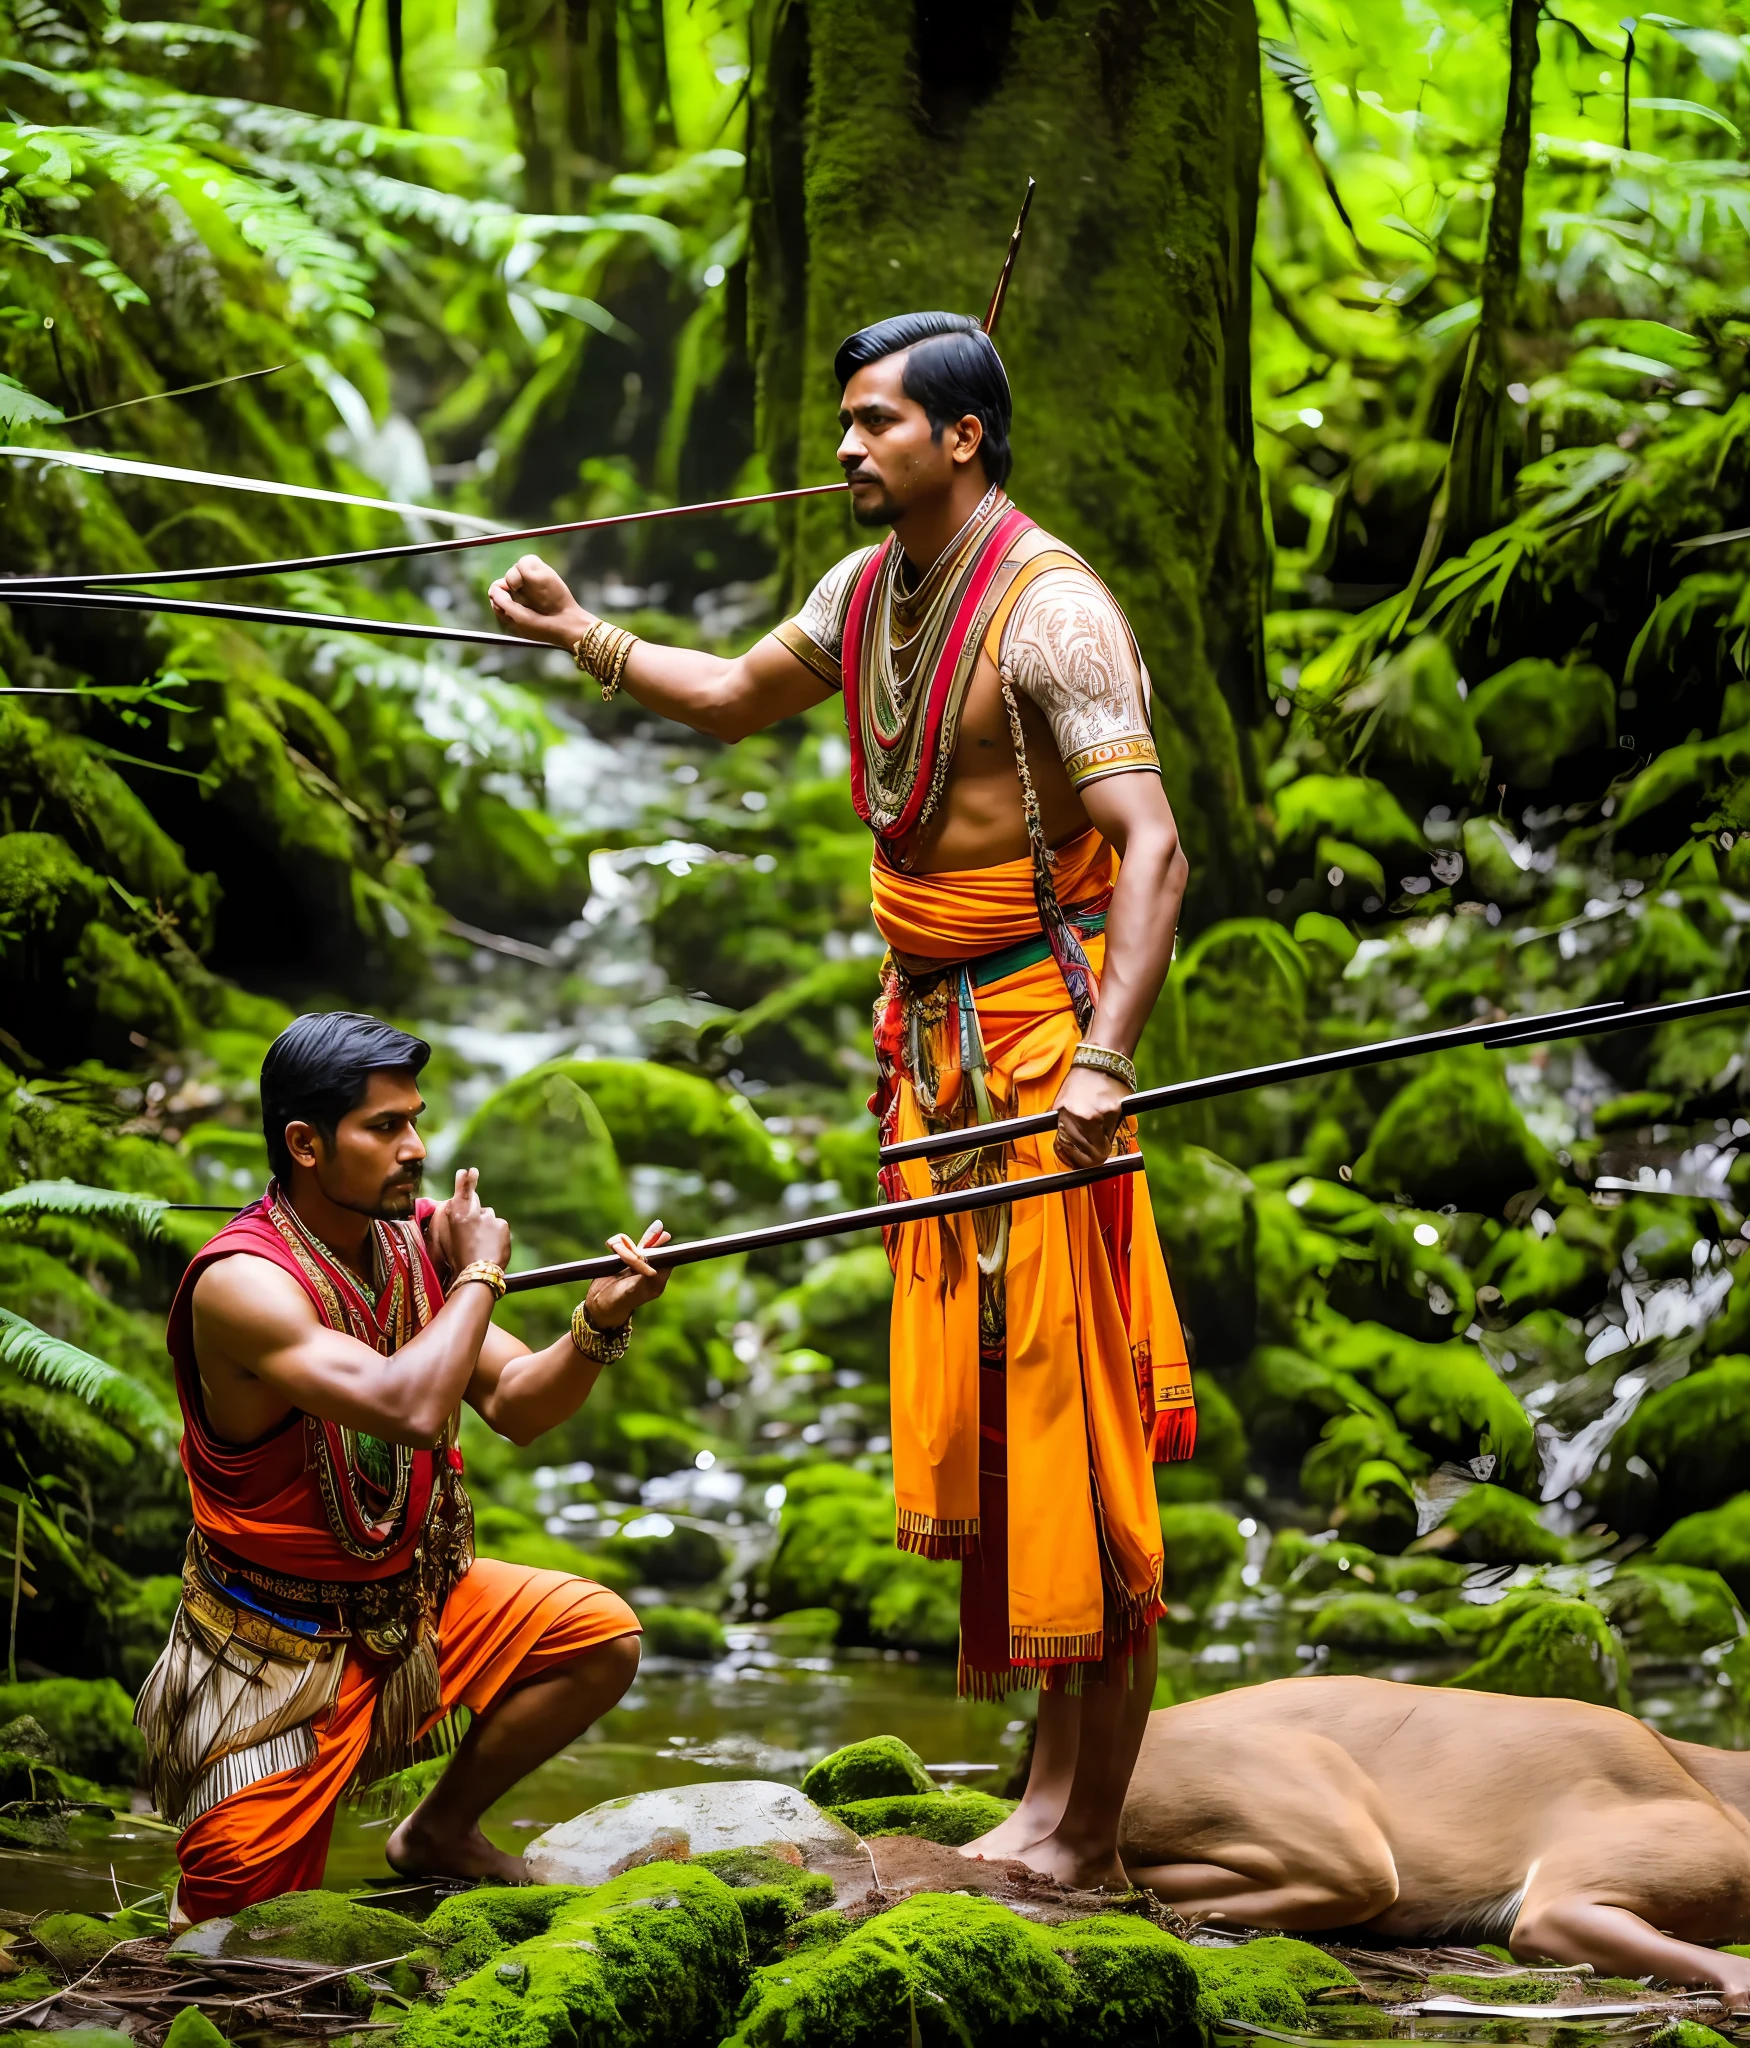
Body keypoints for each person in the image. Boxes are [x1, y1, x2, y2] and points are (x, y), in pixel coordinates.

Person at [486, 310, 1194, 1888]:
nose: (848, 448)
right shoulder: (865, 590)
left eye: (877, 422)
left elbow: (1153, 846)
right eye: (845, 424)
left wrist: (1103, 1059)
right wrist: (578, 633)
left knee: (1080, 1432)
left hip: (1040, 1040)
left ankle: (1086, 1834)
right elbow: (737, 694)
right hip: (931, 1052)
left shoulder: (1055, 613)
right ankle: (1045, 1802)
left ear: (966, 439)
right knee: (1008, 1427)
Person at [140, 1011, 671, 1920]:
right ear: (305, 1144)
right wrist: (478, 1276)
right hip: (271, 1659)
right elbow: (414, 1409)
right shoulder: (243, 1285)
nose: (416, 1147)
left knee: (596, 1635)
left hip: (409, 1613)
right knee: (235, 1931)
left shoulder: (405, 1245)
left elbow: (517, 1407)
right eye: (385, 1128)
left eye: (416, 1119)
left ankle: (435, 1833)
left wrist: (599, 1322)